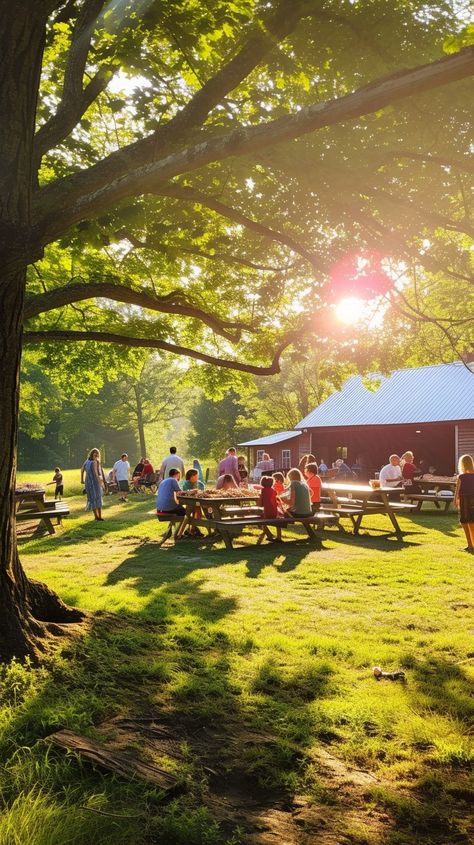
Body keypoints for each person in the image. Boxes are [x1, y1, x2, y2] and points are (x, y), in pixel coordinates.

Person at [454, 454, 474, 552]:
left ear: (462, 465)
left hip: (464, 500)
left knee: (465, 522)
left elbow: (457, 492)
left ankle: (470, 545)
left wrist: (455, 500)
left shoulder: (461, 477)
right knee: (472, 522)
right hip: (472, 499)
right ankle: (472, 545)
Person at [83, 448, 106, 521]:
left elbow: (82, 470)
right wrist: (101, 484)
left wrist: (82, 480)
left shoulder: (87, 461)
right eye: (95, 453)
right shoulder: (94, 462)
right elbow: (96, 474)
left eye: (97, 453)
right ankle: (98, 517)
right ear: (92, 454)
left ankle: (98, 517)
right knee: (97, 498)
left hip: (88, 482)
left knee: (93, 499)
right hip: (94, 482)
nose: (96, 455)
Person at [259, 476, 282, 541]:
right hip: (275, 512)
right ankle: (279, 537)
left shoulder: (263, 491)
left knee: (261, 521)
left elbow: (260, 504)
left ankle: (269, 535)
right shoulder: (273, 491)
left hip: (267, 513)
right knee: (278, 523)